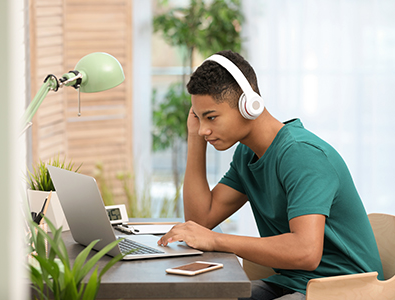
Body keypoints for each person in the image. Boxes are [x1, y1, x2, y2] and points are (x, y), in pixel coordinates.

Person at [157, 50, 383, 299]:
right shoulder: (246, 154)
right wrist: (194, 138)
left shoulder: (301, 155)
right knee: (207, 296)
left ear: (249, 106)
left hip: (345, 289)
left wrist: (216, 241)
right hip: (293, 281)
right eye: (199, 118)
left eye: (211, 117)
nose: (204, 129)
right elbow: (200, 220)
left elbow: (306, 252)